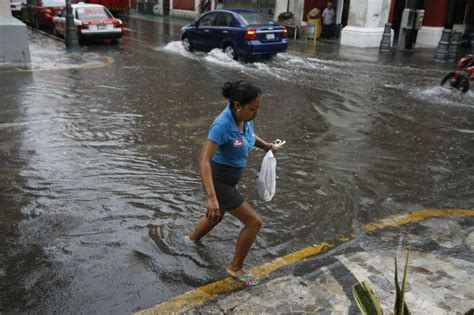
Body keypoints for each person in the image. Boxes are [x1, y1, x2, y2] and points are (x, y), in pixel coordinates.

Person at [187, 81, 277, 286]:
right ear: (238, 106)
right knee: (254, 222)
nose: (256, 114)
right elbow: (204, 160)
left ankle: (190, 241)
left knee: (216, 216)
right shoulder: (222, 125)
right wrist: (211, 197)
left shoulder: (245, 118)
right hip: (219, 182)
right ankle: (235, 267)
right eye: (253, 109)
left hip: (229, 181)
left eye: (258, 108)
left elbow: (249, 136)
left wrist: (265, 146)